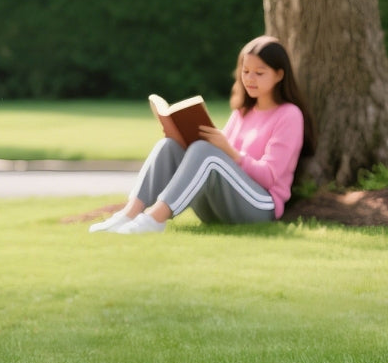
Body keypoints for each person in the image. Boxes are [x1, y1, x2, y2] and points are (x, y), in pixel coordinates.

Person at [90, 35, 314, 234]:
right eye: (245, 71)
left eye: (259, 73)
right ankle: (129, 214)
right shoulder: (242, 112)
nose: (250, 78)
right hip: (217, 206)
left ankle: (154, 219)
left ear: (279, 75)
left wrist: (230, 151)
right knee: (169, 146)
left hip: (260, 205)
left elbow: (269, 176)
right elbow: (218, 159)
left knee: (205, 151)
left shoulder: (289, 115)